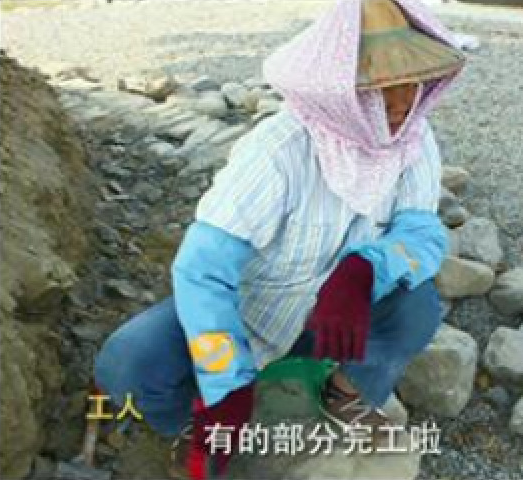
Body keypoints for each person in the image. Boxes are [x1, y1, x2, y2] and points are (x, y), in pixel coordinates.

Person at [93, 0, 465, 478]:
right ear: (338, 92)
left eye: (410, 86)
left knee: (419, 306)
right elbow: (202, 270)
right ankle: (196, 423)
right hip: (252, 311)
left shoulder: (413, 138)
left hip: (339, 317)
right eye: (382, 91)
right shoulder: (278, 152)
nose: (401, 106)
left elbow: (422, 232)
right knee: (128, 362)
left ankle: (347, 392)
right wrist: (227, 384)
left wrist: (364, 271)